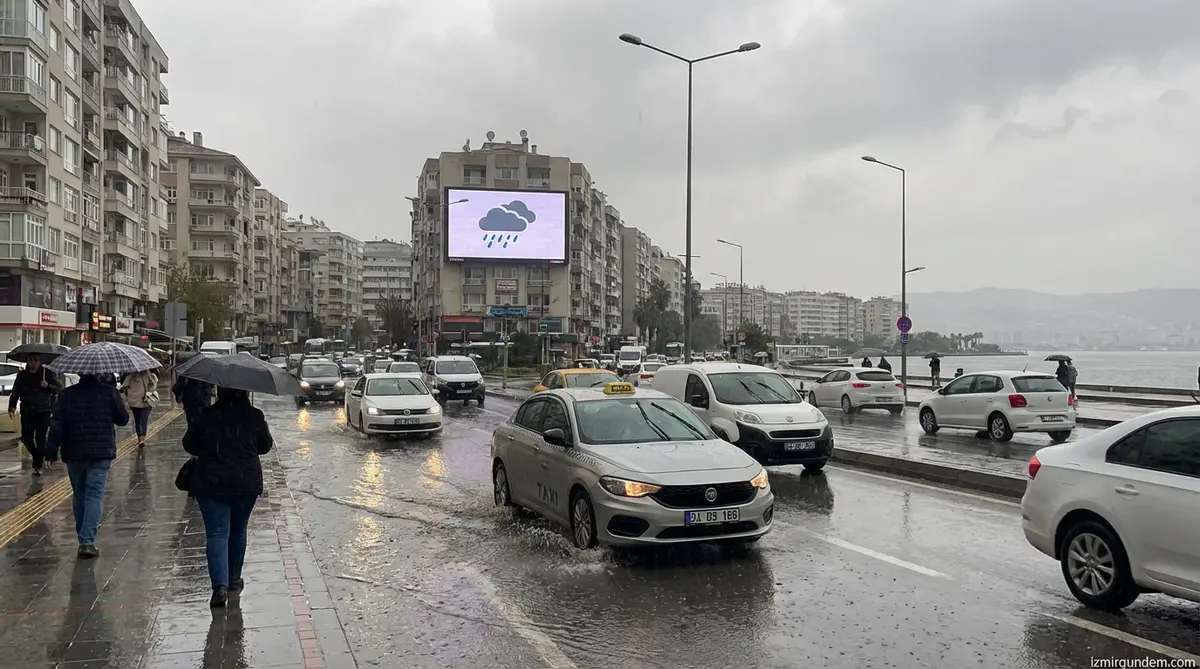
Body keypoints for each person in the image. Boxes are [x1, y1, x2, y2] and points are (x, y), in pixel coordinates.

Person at [182, 387, 274, 607]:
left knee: (217, 534)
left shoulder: (206, 416)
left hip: (210, 482)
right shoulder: (254, 416)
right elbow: (265, 446)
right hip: (245, 482)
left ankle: (219, 587)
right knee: (238, 530)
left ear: (218, 391)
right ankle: (233, 579)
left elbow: (189, 445)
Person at [45, 374, 129, 558]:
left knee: (80, 493)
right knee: (94, 494)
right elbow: (123, 419)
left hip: (74, 450)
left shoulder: (66, 395)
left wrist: (51, 452)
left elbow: (56, 425)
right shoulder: (109, 393)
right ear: (98, 373)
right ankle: (87, 541)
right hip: (101, 451)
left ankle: (82, 537)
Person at [7, 354, 62, 476]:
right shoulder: (22, 375)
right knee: (26, 438)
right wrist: (12, 405)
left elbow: (58, 388)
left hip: (44, 411)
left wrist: (47, 386)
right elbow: (16, 390)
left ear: (40, 361)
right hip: (27, 410)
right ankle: (39, 456)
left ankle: (37, 464)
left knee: (41, 438)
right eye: (31, 360)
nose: (33, 363)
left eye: (36, 360)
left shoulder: (47, 373)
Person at [120, 367, 159, 448]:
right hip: (136, 402)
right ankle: (141, 438)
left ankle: (141, 438)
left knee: (141, 420)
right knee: (141, 420)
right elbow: (124, 386)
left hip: (146, 400)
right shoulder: (131, 374)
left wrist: (149, 392)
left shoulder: (145, 373)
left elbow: (152, 383)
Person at [172, 354, 213, 428]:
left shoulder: (187, 373)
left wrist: (179, 398)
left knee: (192, 426)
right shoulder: (207, 373)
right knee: (203, 425)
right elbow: (211, 387)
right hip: (204, 404)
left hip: (190, 404)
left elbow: (176, 388)